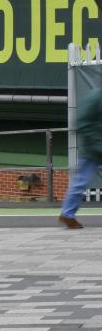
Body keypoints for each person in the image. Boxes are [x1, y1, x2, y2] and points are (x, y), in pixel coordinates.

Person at [60, 87, 102, 228]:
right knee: (81, 182)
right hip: (93, 149)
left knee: (80, 181)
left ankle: (67, 214)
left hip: (96, 147)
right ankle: (67, 214)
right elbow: (82, 123)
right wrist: (96, 142)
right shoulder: (96, 97)